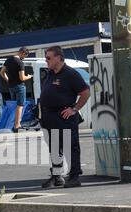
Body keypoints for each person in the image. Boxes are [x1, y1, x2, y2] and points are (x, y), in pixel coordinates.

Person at [40, 46, 90, 189]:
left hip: (63, 117)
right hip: (49, 116)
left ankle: (74, 177)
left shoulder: (70, 74)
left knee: (70, 147)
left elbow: (85, 92)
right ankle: (57, 176)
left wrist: (74, 109)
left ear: (58, 58)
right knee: (54, 148)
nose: (46, 60)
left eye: (48, 58)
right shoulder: (50, 73)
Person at [0, 47, 33, 132]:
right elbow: (22, 78)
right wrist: (29, 77)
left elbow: (1, 72)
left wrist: (8, 80)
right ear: (23, 53)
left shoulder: (8, 60)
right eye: (25, 56)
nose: (24, 58)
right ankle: (17, 125)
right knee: (20, 106)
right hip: (19, 86)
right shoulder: (20, 63)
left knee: (13, 105)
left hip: (11, 87)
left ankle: (9, 123)